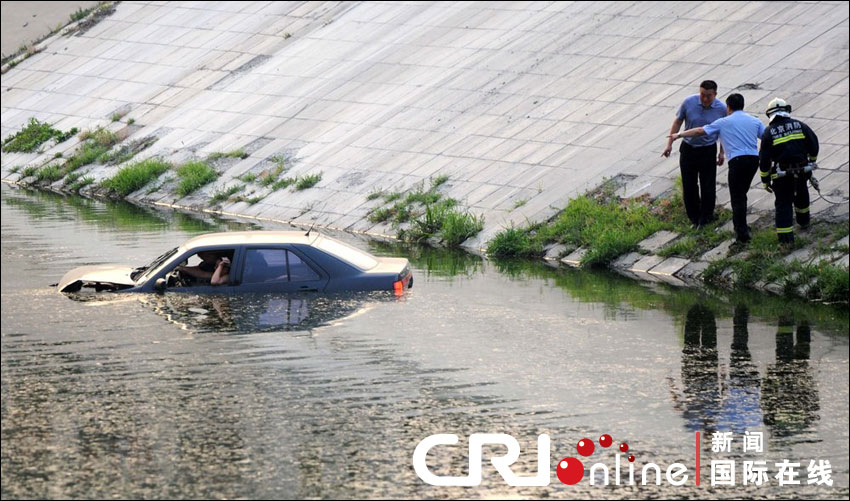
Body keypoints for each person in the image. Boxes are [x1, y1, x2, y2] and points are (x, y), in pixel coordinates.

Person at [670, 93, 765, 243]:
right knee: (742, 194)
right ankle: (743, 227)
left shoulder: (723, 122)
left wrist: (679, 134)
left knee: (737, 197)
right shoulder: (755, 121)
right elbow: (766, 138)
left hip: (737, 161)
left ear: (728, 107)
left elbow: (699, 131)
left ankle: (742, 234)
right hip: (753, 161)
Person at [663, 80, 727, 228]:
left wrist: (721, 152)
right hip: (688, 149)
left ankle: (706, 218)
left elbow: (724, 132)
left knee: (708, 186)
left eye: (709, 96)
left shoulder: (721, 109)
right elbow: (678, 122)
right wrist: (669, 144)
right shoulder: (688, 102)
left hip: (708, 149)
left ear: (715, 94)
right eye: (702, 95)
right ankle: (694, 217)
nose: (705, 99)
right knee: (689, 185)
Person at [758, 98, 819, 244]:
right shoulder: (800, 125)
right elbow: (814, 143)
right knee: (802, 193)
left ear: (769, 114)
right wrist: (811, 161)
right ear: (787, 110)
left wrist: (765, 180)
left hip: (782, 174)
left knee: (783, 203)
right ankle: (804, 222)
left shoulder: (769, 133)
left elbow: (764, 160)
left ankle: (786, 241)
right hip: (802, 168)